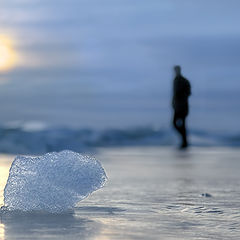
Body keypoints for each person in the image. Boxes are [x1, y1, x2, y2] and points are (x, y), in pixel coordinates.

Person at [172, 65, 191, 149]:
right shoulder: (175, 80)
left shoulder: (183, 81)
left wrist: (182, 99)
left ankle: (184, 142)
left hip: (183, 107)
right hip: (177, 106)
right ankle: (184, 141)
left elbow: (188, 92)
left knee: (181, 125)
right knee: (175, 124)